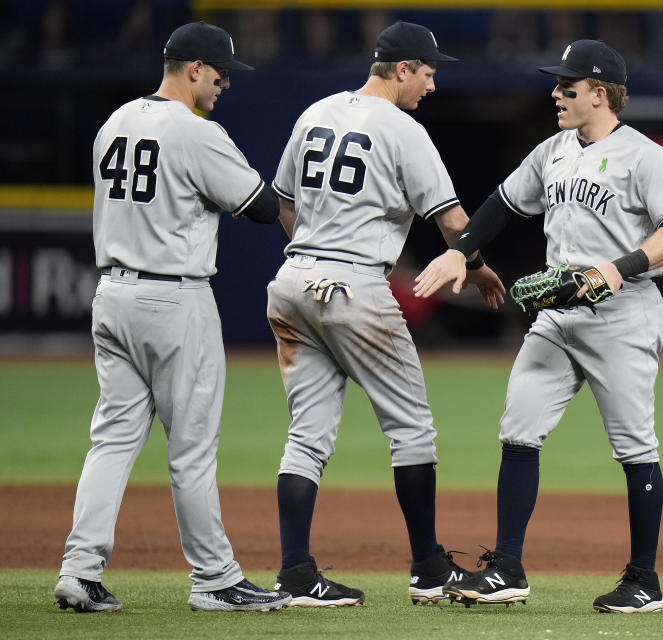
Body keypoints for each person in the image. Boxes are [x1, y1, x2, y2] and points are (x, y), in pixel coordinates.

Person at [413, 39, 663, 613]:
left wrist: (619, 270)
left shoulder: (646, 157)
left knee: (635, 447)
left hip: (624, 316)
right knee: (518, 429)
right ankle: (508, 569)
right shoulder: (554, 151)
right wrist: (461, 252)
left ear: (599, 93)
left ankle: (644, 580)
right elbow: (502, 204)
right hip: (558, 313)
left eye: (567, 86)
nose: (555, 93)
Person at [54, 22, 291, 613]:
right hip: (172, 298)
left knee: (110, 441)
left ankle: (79, 571)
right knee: (191, 448)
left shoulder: (115, 122)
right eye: (219, 72)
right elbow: (261, 207)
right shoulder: (194, 131)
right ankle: (214, 578)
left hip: (111, 294)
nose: (226, 83)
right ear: (192, 69)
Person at [267, 21, 506, 607]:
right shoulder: (403, 128)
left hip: (294, 281)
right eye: (427, 72)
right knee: (411, 429)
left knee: (305, 437)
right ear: (402, 69)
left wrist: (314, 251)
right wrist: (475, 267)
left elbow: (283, 202)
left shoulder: (315, 112)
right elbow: (453, 222)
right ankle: (428, 567)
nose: (431, 84)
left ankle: (296, 573)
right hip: (354, 287)